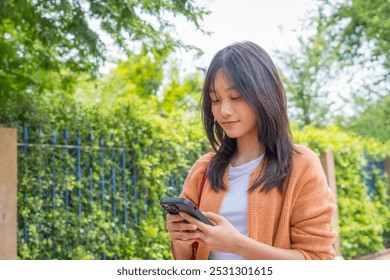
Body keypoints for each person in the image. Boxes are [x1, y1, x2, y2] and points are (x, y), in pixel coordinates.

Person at [165, 41, 336, 260]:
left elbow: (318, 260)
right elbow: (187, 261)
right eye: (215, 100)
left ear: (264, 94)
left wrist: (238, 245)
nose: (224, 110)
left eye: (235, 97)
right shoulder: (204, 170)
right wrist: (180, 239)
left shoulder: (301, 165)